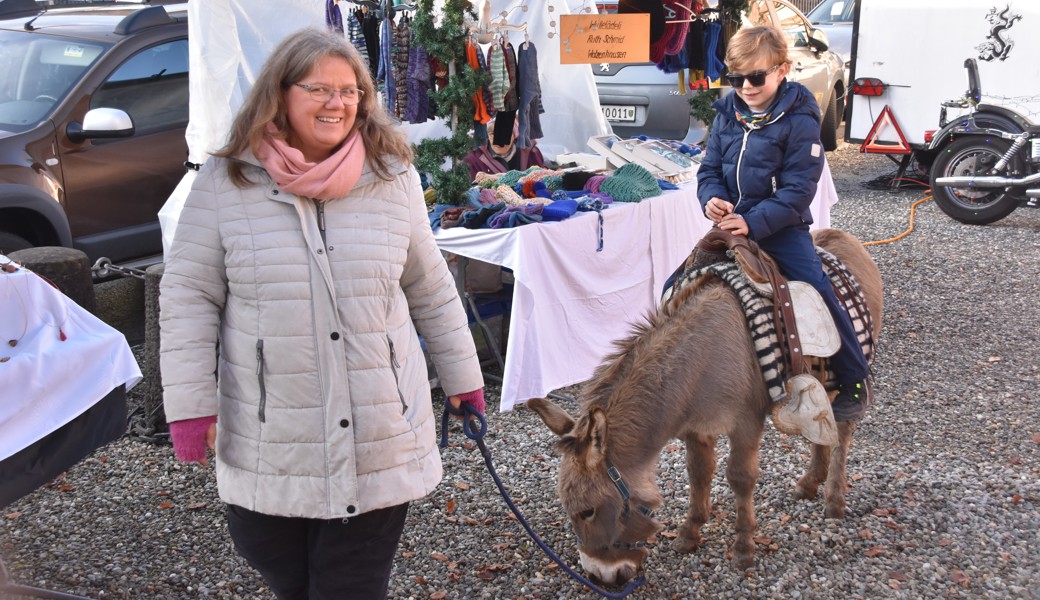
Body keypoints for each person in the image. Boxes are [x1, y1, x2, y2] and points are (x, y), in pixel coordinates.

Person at [159, 27, 485, 599]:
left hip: (379, 424)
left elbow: (430, 287)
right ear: (279, 93)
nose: (338, 104)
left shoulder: (392, 177)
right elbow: (188, 299)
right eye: (319, 89)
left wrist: (464, 380)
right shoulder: (225, 181)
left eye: (350, 91)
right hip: (269, 429)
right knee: (275, 560)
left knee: (350, 584)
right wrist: (189, 407)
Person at [695, 25, 871, 422]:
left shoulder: (801, 119)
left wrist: (752, 223)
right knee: (678, 285)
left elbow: (797, 191)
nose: (746, 87)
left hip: (781, 228)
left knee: (817, 288)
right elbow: (708, 170)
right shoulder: (728, 114)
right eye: (736, 79)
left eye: (756, 77)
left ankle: (854, 375)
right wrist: (711, 199)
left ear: (782, 69)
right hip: (730, 225)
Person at [462, 116, 545, 180]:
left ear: (514, 136)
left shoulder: (532, 153)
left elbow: (544, 179)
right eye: (493, 134)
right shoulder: (474, 159)